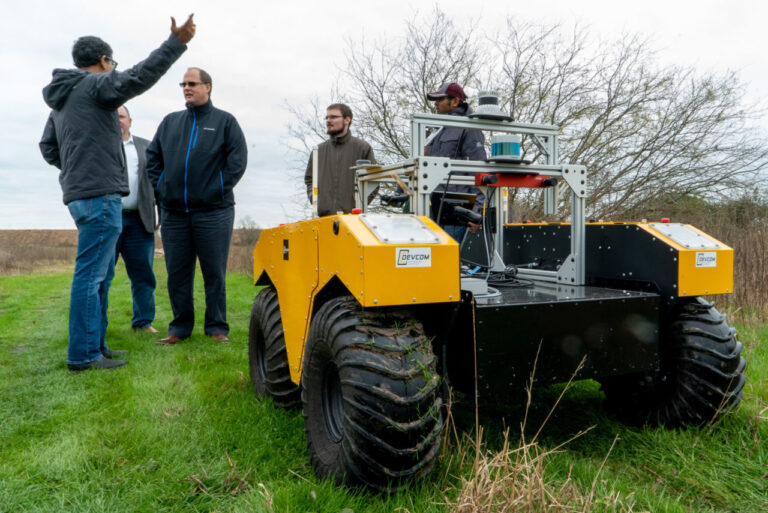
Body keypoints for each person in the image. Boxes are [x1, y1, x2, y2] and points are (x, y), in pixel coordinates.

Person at [39, 14, 196, 371]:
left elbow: (48, 147)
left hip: (81, 194)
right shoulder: (95, 85)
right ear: (104, 61)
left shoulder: (63, 98)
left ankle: (96, 346)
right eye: (112, 64)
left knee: (100, 275)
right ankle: (83, 356)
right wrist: (176, 43)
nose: (113, 69)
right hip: (99, 194)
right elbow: (139, 76)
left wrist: (75, 169)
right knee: (91, 275)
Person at [146, 67, 248, 345]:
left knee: (214, 272)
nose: (187, 88)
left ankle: (216, 327)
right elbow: (153, 159)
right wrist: (163, 187)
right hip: (175, 213)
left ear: (208, 87)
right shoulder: (170, 122)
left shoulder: (225, 122)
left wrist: (215, 189)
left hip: (214, 212)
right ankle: (179, 329)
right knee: (177, 274)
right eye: (183, 84)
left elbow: (237, 162)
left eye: (192, 83)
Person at [115, 105, 159, 334]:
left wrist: (159, 212)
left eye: (121, 116)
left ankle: (143, 322)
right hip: (108, 220)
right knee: (100, 276)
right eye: (113, 116)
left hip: (139, 221)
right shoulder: (99, 146)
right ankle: (96, 326)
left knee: (143, 275)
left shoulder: (146, 147)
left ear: (130, 121)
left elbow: (158, 180)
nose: (118, 120)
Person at [426, 82, 487, 242]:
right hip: (433, 210)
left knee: (451, 258)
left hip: (458, 213)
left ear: (454, 101)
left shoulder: (469, 128)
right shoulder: (437, 129)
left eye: (440, 99)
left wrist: (477, 211)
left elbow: (479, 170)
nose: (436, 103)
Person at [304, 103, 375, 216]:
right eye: (327, 117)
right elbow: (309, 180)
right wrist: (317, 203)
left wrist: (358, 205)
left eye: (333, 117)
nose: (328, 121)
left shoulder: (363, 148)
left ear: (347, 120)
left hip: (352, 219)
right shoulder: (318, 151)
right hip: (323, 219)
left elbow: (373, 181)